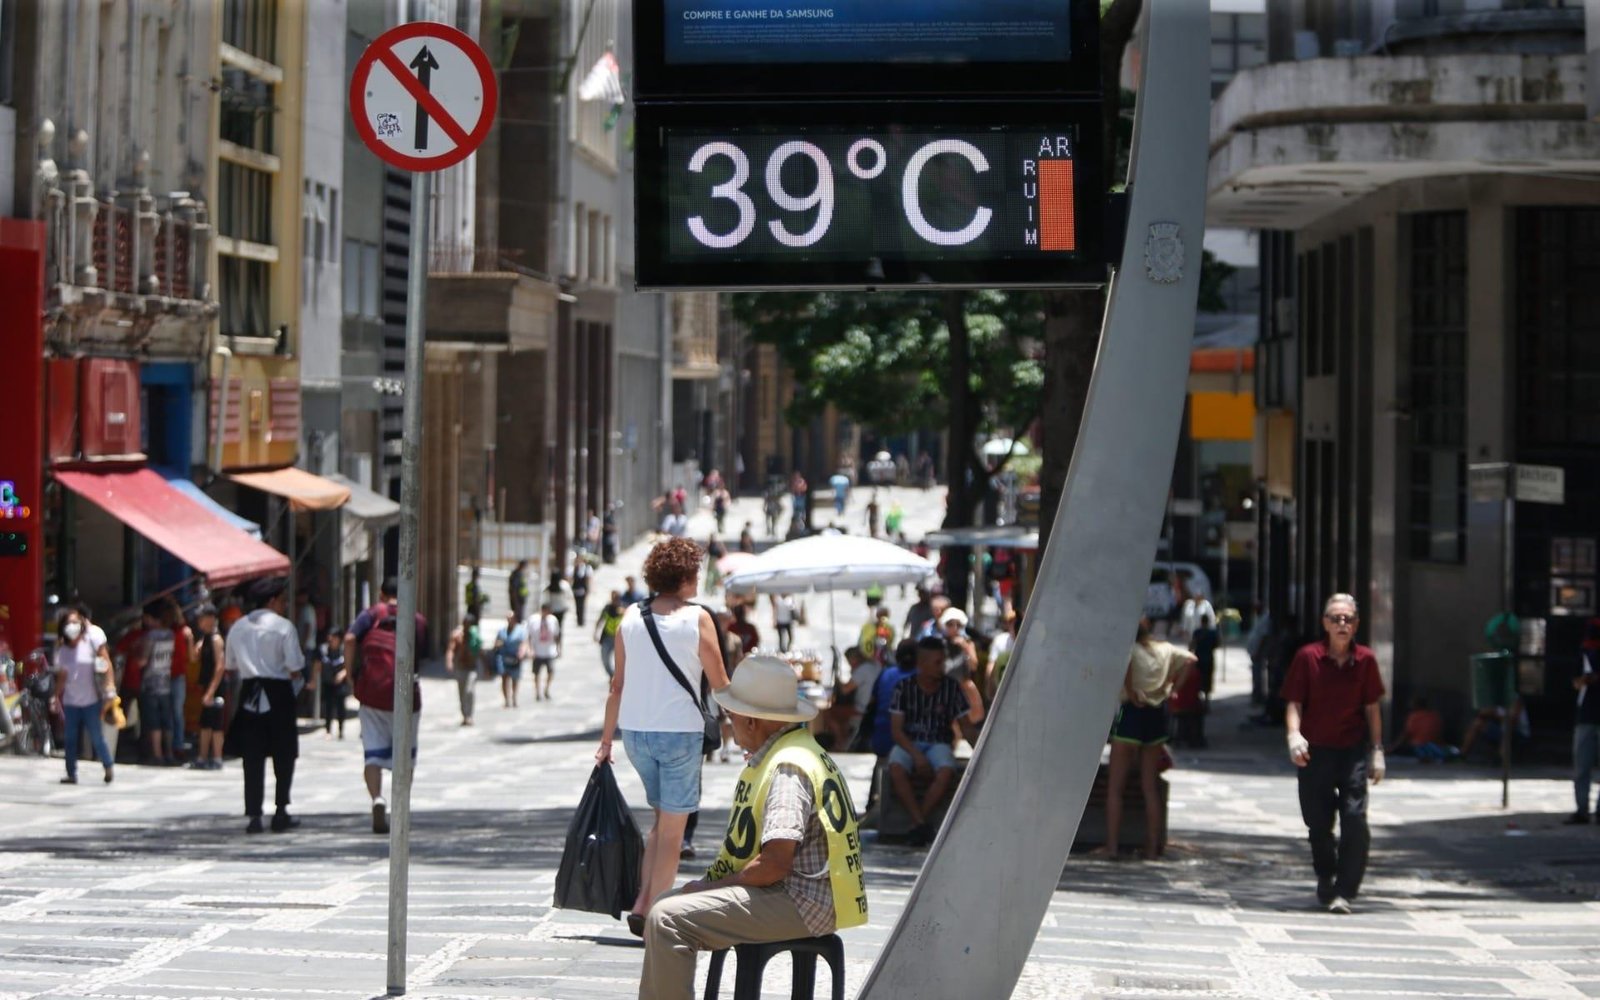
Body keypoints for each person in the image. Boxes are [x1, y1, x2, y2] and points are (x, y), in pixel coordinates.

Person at [639, 655, 867, 1000]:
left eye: (731, 716)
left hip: (802, 901)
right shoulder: (797, 751)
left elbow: (774, 864)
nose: (729, 724)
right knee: (665, 905)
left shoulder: (788, 768)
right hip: (805, 895)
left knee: (669, 919)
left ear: (750, 721)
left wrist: (709, 888)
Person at [596, 537, 732, 937]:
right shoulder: (698, 619)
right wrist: (747, 730)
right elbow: (721, 684)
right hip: (679, 735)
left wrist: (606, 742)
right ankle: (657, 914)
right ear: (687, 577)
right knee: (673, 832)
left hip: (636, 735)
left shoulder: (630, 619)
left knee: (660, 821)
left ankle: (642, 902)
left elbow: (616, 686)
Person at [1282, 593, 1385, 914]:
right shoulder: (1307, 657)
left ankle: (1345, 890)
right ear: (1325, 624)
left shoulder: (1366, 660)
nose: (1342, 624)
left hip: (1351, 751)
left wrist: (1377, 751)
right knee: (1318, 823)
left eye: (1349, 619)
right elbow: (1294, 702)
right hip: (1315, 752)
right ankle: (1326, 874)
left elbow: (1372, 708)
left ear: (1356, 625)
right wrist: (1293, 735)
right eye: (1336, 618)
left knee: (1355, 820)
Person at [1095, 619, 1195, 859]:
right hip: (1156, 715)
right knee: (1150, 786)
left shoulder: (1130, 649)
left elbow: (1126, 666)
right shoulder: (1165, 649)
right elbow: (1192, 660)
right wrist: (1172, 687)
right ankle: (1151, 848)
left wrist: (1130, 691)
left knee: (1115, 788)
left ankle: (1112, 846)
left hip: (1132, 713)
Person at [223, 577, 305, 834]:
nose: (284, 605)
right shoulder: (283, 628)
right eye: (282, 600)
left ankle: (254, 815)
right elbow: (295, 667)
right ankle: (281, 810)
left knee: (252, 756)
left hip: (249, 693)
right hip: (278, 692)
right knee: (284, 754)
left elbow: (230, 666)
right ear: (272, 601)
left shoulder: (237, 627)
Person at [346, 577, 427, 835]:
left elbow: (349, 639)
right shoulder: (416, 619)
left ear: (382, 594)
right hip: (406, 695)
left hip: (372, 693)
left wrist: (350, 674)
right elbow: (421, 655)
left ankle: (377, 798)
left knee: (373, 751)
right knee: (405, 754)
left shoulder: (372, 614)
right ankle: (400, 805)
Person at [888, 635, 981, 845]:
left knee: (947, 770)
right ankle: (921, 823)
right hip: (909, 742)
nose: (942, 667)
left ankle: (917, 821)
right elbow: (897, 730)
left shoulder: (951, 687)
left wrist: (981, 751)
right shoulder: (904, 688)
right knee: (896, 768)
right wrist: (917, 756)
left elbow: (965, 726)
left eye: (943, 661)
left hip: (939, 742)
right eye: (937, 662)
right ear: (922, 664)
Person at [51, 607, 115, 785]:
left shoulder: (90, 644)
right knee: (70, 738)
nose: (72, 626)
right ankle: (71, 772)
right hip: (71, 701)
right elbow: (62, 676)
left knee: (96, 736)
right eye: (68, 623)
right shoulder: (63, 650)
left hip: (91, 700)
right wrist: (55, 696)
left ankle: (108, 765)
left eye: (75, 622)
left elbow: (105, 664)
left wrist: (109, 688)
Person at [137, 602, 177, 765]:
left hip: (151, 683)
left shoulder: (151, 636)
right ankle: (168, 752)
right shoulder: (170, 634)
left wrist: (136, 658)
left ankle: (157, 754)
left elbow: (143, 660)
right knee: (166, 720)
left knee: (153, 721)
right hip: (166, 681)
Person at [1568, 618, 1600, 824]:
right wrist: (1585, 680)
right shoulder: (1583, 655)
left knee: (1583, 766)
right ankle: (1582, 810)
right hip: (1586, 715)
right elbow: (1575, 682)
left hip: (1588, 715)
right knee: (1582, 766)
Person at [191, 604, 227, 770]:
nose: (200, 622)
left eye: (202, 618)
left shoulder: (216, 639)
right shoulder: (204, 639)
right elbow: (193, 657)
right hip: (206, 686)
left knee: (216, 724)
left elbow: (220, 666)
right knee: (205, 723)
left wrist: (211, 692)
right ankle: (202, 756)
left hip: (216, 688)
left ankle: (217, 757)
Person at [163, 598, 193, 762]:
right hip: (167, 675)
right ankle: (171, 746)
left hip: (177, 675)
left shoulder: (183, 631)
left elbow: (191, 656)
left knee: (176, 712)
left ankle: (178, 744)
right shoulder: (167, 631)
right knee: (170, 713)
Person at [1387, 694, 1452, 763]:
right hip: (1433, 747)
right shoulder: (1435, 716)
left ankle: (1425, 757)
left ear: (1416, 705)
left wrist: (1391, 749)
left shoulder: (1414, 716)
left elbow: (1405, 735)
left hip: (1418, 747)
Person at [313, 626, 349, 739]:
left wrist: (343, 674)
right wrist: (313, 680)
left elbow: (349, 665)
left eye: (334, 637)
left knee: (340, 707)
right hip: (328, 682)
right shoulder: (323, 650)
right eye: (330, 636)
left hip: (340, 683)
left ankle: (340, 730)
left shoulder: (344, 650)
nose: (331, 639)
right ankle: (328, 730)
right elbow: (317, 665)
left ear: (339, 639)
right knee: (328, 707)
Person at [446, 613, 481, 726]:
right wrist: (449, 662)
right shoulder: (457, 635)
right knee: (462, 693)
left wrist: (487, 665)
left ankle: (469, 715)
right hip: (460, 667)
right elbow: (451, 649)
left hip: (472, 668)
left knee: (469, 691)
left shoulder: (475, 636)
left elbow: (480, 651)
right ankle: (464, 715)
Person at [492, 611, 529, 708]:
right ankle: (506, 699)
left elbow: (524, 643)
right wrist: (499, 644)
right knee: (504, 679)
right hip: (504, 658)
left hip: (515, 659)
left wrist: (522, 653)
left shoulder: (520, 631)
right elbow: (496, 643)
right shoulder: (502, 631)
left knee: (515, 679)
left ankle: (514, 697)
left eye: (511, 619)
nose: (509, 621)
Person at [530, 602, 561, 702]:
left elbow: (556, 635)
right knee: (536, 673)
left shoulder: (553, 620)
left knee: (550, 671)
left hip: (549, 651)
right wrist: (530, 649)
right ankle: (537, 692)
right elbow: (529, 635)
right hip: (537, 651)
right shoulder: (534, 620)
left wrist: (558, 648)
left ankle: (546, 689)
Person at [1244, 603, 1272, 705]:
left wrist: (1258, 651)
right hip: (1255, 652)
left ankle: (1258, 697)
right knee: (1256, 675)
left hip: (1259, 653)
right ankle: (1257, 696)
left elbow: (1264, 637)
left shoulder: (1265, 619)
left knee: (1258, 676)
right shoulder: (1259, 619)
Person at [595, 591, 625, 678]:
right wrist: (595, 632)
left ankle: (620, 676)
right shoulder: (607, 608)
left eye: (616, 599)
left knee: (621, 659)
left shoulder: (624, 609)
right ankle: (611, 675)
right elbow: (600, 620)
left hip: (620, 638)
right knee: (604, 658)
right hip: (608, 637)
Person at [570, 553, 593, 628]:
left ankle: (581, 620)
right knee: (577, 605)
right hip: (576, 589)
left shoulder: (586, 568)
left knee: (582, 605)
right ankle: (578, 619)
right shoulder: (574, 568)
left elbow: (588, 579)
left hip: (583, 589)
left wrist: (588, 589)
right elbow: (571, 578)